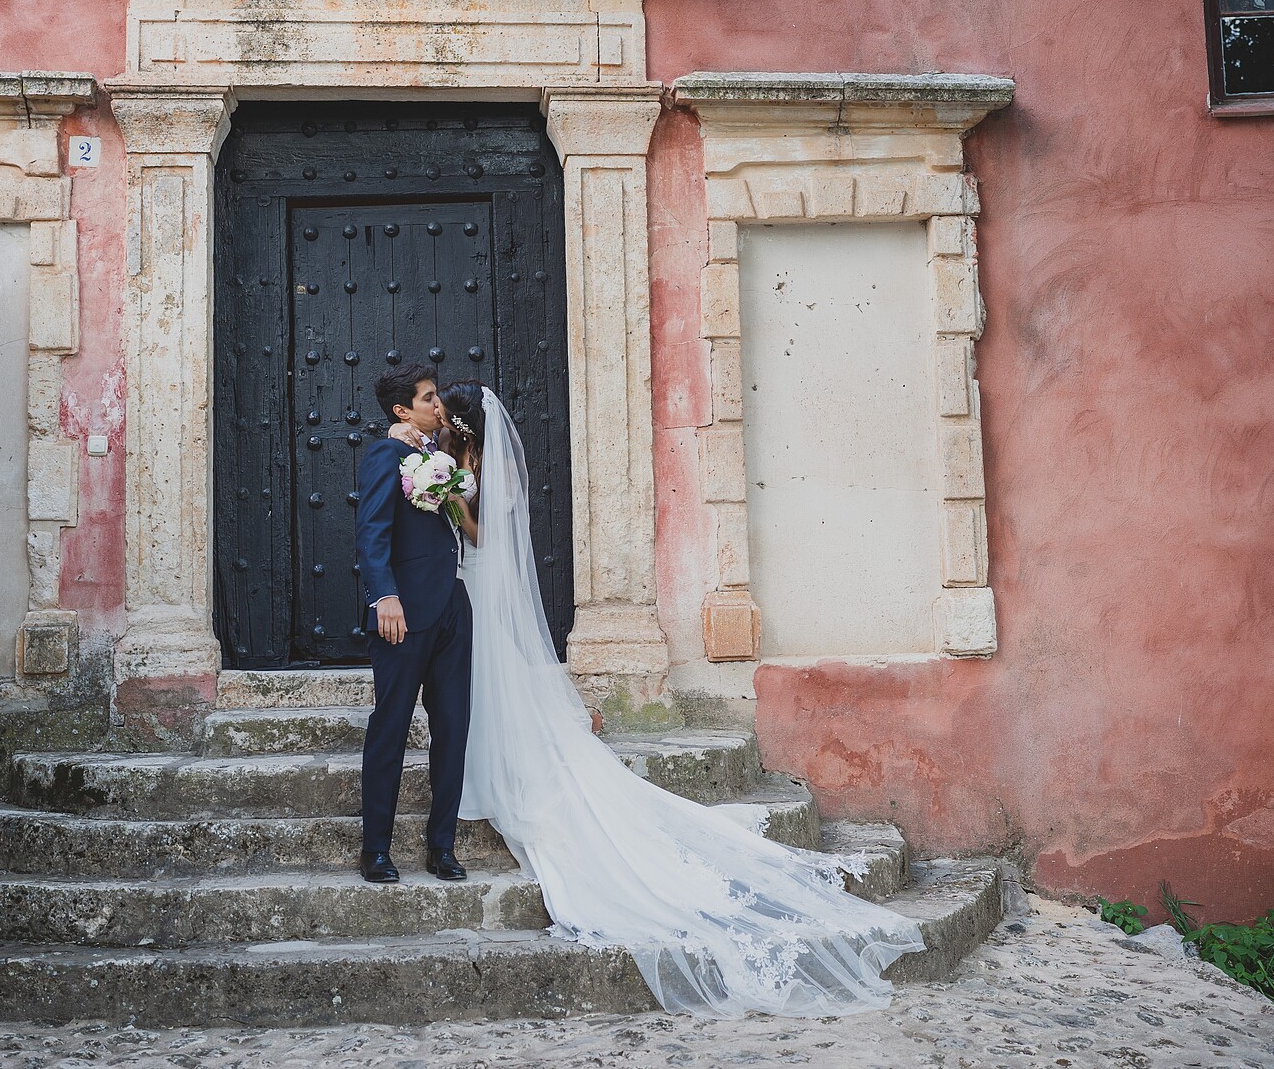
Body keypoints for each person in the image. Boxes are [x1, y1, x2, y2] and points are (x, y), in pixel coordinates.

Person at [397, 383, 928, 1018]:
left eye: (444, 410)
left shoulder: (487, 470)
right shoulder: (444, 456)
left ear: (463, 424)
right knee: (476, 688)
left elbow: (486, 537)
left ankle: (497, 776)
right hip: (459, 586)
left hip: (482, 582)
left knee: (494, 683)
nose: (438, 415)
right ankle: (478, 773)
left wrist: (454, 504)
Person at [352, 365, 473, 885]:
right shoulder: (386, 455)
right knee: (391, 727)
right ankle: (375, 850)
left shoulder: (438, 452)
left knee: (453, 727)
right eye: (428, 398)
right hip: (402, 613)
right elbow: (372, 529)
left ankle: (442, 846)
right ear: (403, 410)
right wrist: (385, 596)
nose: (437, 404)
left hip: (452, 607)